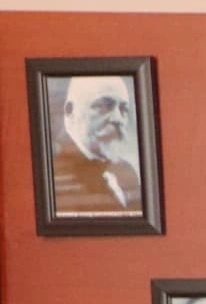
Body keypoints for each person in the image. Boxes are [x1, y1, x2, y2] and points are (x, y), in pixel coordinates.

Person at [49, 74, 143, 214]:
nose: (118, 119)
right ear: (70, 111)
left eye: (123, 109)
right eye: (105, 106)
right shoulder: (54, 175)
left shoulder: (127, 172)